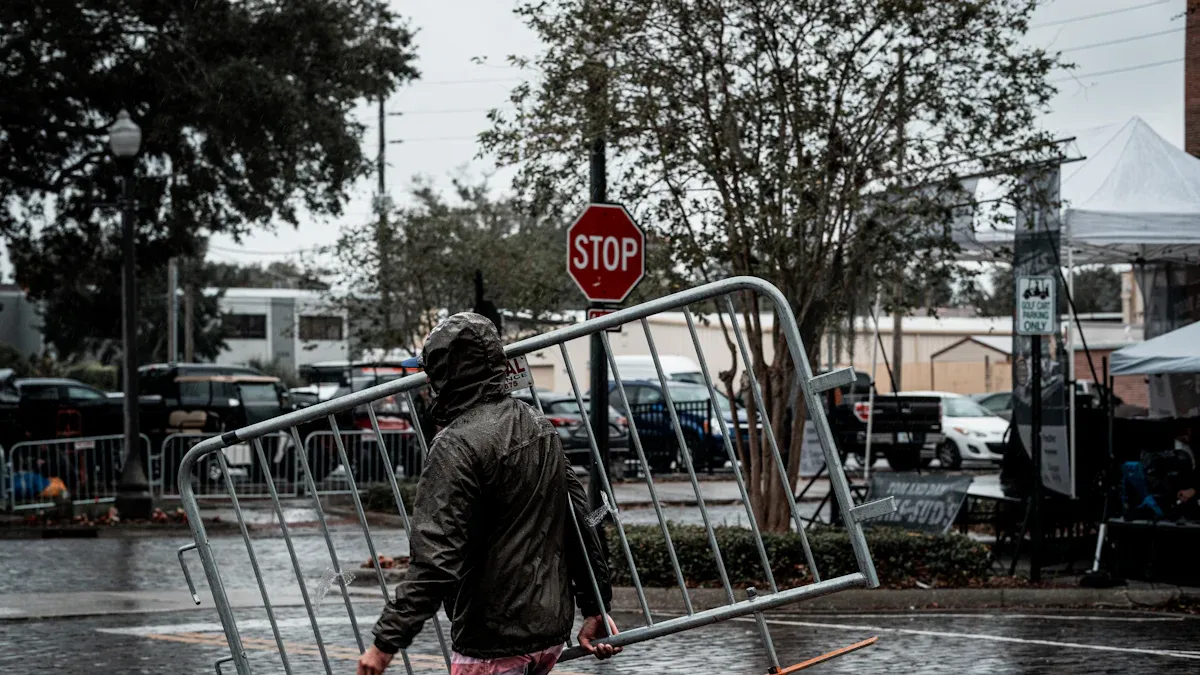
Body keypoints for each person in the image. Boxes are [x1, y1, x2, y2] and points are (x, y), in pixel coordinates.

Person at [358, 313, 621, 675]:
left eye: (431, 372)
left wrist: (384, 645)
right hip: (547, 635)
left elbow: (435, 559)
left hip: (493, 642)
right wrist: (595, 606)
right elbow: (578, 521)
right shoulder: (538, 424)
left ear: (446, 375)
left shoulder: (455, 445)